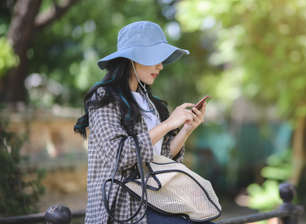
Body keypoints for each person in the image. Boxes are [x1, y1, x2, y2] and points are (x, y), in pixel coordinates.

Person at [74, 21, 212, 224]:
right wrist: (168, 124)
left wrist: (186, 129)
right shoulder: (104, 97)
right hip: (123, 207)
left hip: (156, 199)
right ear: (132, 59)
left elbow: (160, 157)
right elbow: (118, 156)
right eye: (155, 57)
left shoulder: (149, 102)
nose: (161, 66)